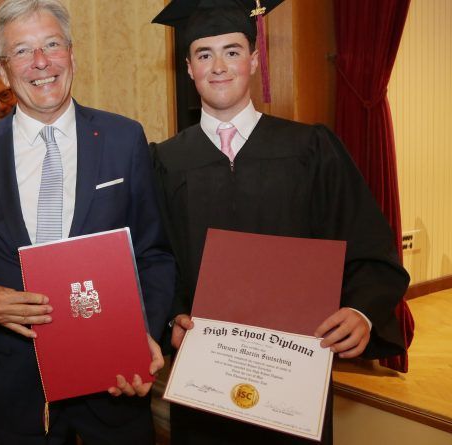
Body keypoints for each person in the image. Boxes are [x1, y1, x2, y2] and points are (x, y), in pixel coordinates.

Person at [150, 1, 410, 444]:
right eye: (204, 54)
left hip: (296, 375)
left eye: (232, 51)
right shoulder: (165, 162)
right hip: (205, 379)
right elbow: (155, 257)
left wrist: (363, 311)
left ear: (254, 60)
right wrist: (170, 316)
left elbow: (369, 244)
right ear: (188, 69)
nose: (218, 67)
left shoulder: (310, 149)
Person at [0, 0, 175, 443]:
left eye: (52, 44)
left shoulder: (124, 138)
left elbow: (154, 254)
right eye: (22, 50)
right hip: (15, 391)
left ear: (71, 52)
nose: (40, 62)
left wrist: (141, 337)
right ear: (3, 67)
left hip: (114, 385)